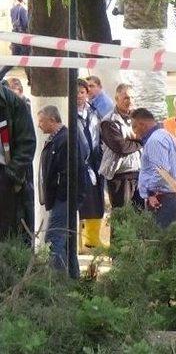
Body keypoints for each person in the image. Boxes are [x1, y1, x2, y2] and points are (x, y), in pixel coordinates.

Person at [37, 105, 88, 278]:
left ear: (52, 120)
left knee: (53, 240)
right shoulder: (58, 139)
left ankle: (58, 281)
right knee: (66, 241)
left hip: (64, 198)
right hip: (62, 198)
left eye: (41, 121)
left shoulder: (64, 139)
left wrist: (61, 195)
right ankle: (72, 277)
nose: (39, 125)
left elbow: (69, 171)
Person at [131, 108, 176, 228]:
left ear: (142, 125)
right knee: (170, 236)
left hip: (160, 198)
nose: (134, 132)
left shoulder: (154, 141)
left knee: (158, 238)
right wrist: (174, 181)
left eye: (134, 127)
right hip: (170, 194)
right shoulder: (166, 134)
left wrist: (151, 192)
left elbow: (161, 171)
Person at [99, 83, 144, 211]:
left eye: (132, 98)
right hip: (120, 176)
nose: (129, 101)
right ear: (116, 99)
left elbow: (149, 134)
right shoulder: (109, 121)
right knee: (122, 218)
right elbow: (121, 147)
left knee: (140, 218)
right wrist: (141, 141)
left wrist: (137, 138)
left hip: (139, 174)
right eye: (126, 98)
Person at [0, 82, 35, 242]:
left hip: (6, 178)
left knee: (8, 235)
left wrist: (10, 175)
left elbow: (27, 144)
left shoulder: (12, 103)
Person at [77, 79, 105, 248]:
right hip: (79, 163)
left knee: (96, 201)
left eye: (82, 92)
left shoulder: (94, 112)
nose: (79, 95)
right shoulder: (68, 113)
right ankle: (78, 243)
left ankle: (92, 240)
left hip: (95, 162)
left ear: (87, 94)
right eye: (76, 92)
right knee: (80, 202)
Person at [0, 0, 30, 84]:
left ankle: (0, 75)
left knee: (14, 59)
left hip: (14, 36)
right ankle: (30, 80)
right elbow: (25, 24)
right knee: (28, 59)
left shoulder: (13, 9)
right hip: (22, 37)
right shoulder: (23, 9)